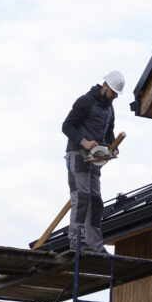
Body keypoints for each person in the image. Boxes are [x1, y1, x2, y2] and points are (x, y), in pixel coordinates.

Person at [61, 70, 124, 254]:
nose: (115, 97)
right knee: (81, 198)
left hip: (95, 160)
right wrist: (84, 142)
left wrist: (112, 147)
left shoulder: (109, 110)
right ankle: (77, 241)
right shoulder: (85, 101)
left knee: (95, 201)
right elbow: (67, 126)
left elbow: (109, 135)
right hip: (78, 155)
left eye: (117, 94)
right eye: (113, 93)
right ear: (104, 86)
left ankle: (95, 244)